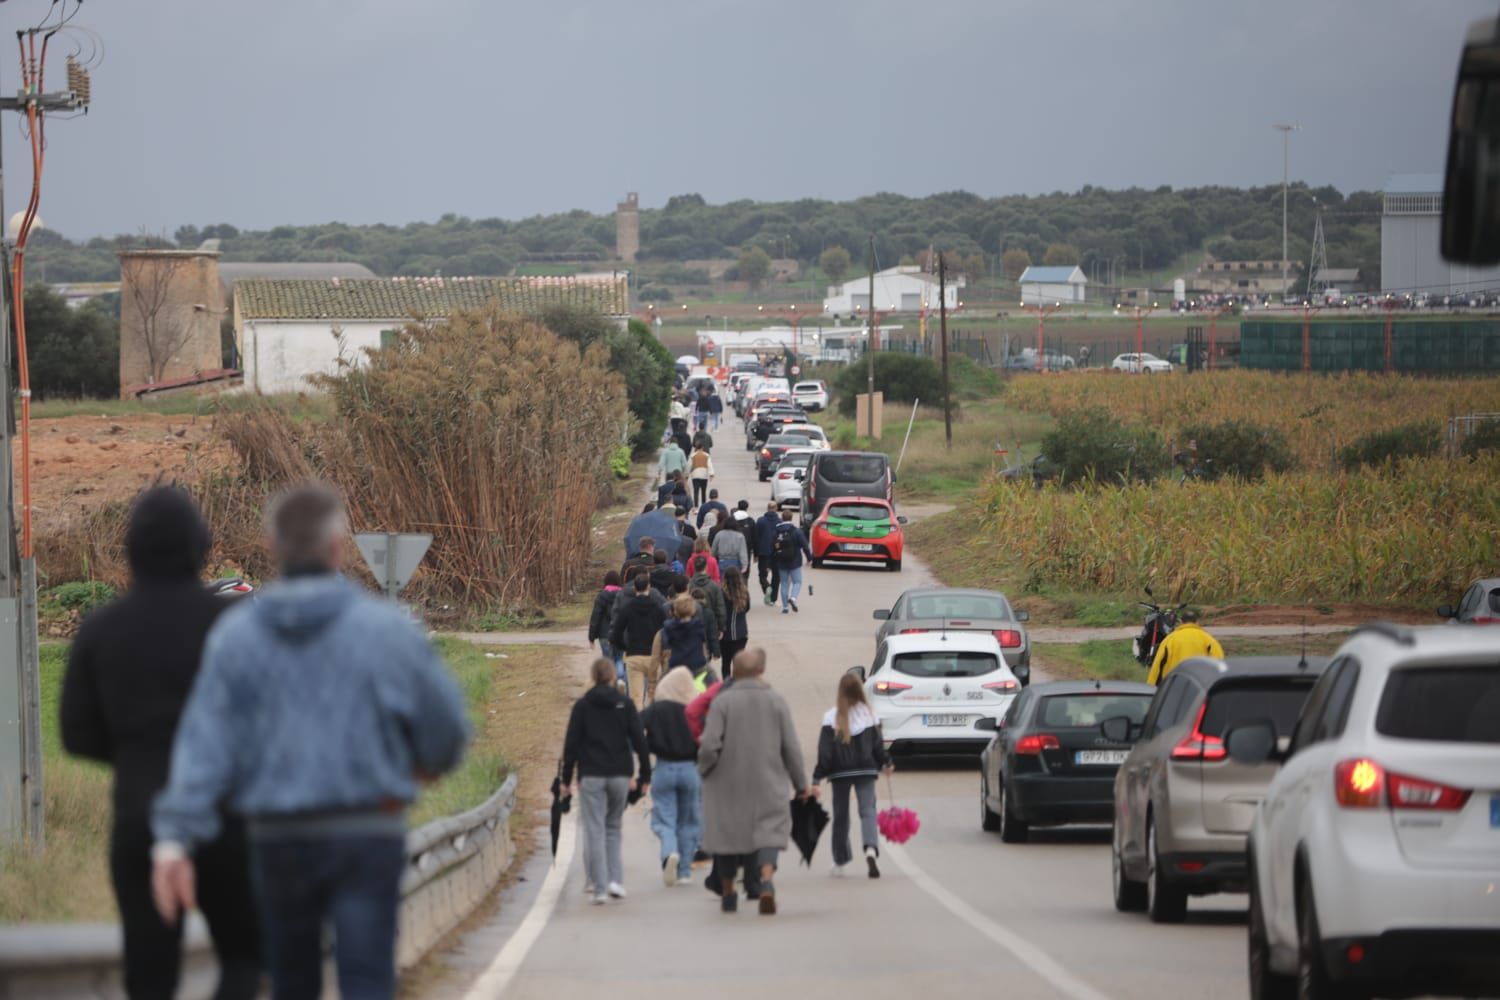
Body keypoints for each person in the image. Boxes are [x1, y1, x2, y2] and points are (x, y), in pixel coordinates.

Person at [150, 483, 469, 999]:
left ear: (272, 547)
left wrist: (173, 840)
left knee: (290, 981)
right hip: (368, 830)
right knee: (367, 977)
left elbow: (203, 747)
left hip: (277, 838)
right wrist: (419, 769)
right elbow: (447, 727)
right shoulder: (386, 630)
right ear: (337, 547)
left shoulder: (236, 638)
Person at [60, 486, 262, 1000]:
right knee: (244, 957)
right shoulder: (232, 625)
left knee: (149, 972)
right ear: (201, 547)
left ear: (132, 551)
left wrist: (134, 755)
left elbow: (75, 734)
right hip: (225, 817)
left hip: (140, 818)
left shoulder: (101, 630)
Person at [698, 649, 815, 915]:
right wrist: (801, 785)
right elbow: (791, 747)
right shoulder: (776, 701)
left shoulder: (722, 702)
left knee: (726, 835)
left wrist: (705, 770)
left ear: (734, 672)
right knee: (768, 831)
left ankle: (729, 893)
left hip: (727, 783)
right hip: (768, 780)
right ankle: (766, 881)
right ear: (760, 671)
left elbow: (709, 745)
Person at [561, 657, 651, 905]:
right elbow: (639, 740)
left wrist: (566, 780)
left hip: (591, 774)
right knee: (613, 827)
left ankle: (599, 888)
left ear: (593, 677)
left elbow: (571, 745)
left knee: (594, 829)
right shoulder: (625, 704)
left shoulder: (582, 706)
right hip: (620, 774)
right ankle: (615, 880)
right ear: (612, 677)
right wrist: (645, 775)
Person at [812, 674, 891, 879]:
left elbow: (825, 752)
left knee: (841, 815)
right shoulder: (870, 714)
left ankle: (840, 860)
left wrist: (817, 778)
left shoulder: (831, 717)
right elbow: (877, 746)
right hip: (866, 770)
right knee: (868, 810)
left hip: (840, 773)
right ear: (859, 691)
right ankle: (870, 848)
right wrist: (886, 762)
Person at [639, 667, 702, 886]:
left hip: (664, 767)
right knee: (689, 820)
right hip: (690, 769)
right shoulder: (694, 711)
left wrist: (646, 748)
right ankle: (684, 871)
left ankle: (669, 851)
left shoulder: (658, 709)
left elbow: (636, 726)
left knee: (665, 817)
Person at [611, 573, 670, 704]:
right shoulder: (658, 607)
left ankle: (638, 716)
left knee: (636, 698)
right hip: (654, 657)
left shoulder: (627, 607)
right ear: (649, 587)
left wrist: (625, 647)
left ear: (634, 588)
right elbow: (667, 628)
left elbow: (616, 633)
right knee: (656, 696)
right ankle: (654, 716)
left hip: (634, 655)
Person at [1146, 609, 1225, 685]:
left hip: (1172, 684)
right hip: (1200, 685)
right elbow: (1219, 663)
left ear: (1181, 622)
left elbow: (1157, 665)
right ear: (1197, 622)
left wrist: (1151, 686)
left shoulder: (1170, 639)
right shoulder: (1208, 639)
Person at [588, 570, 625, 689]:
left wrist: (591, 636)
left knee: (607, 660)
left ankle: (608, 685)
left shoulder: (601, 596)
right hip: (619, 633)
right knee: (619, 659)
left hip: (604, 634)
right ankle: (620, 680)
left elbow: (596, 616)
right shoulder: (623, 595)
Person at [772, 510, 814, 614]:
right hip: (795, 561)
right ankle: (793, 598)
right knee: (797, 582)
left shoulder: (777, 531)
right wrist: (809, 559)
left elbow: (773, 545)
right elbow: (805, 546)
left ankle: (785, 607)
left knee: (784, 583)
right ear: (791, 518)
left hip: (781, 560)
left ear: (782, 518)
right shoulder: (796, 531)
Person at [661, 595, 709, 676]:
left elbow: (666, 644)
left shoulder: (668, 626)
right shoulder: (698, 625)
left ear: (675, 610)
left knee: (663, 679)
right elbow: (703, 641)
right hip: (696, 664)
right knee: (712, 677)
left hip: (676, 664)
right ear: (693, 609)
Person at [718, 567, 751, 679]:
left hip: (725, 634)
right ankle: (739, 684)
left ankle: (727, 684)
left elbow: (719, 611)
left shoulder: (722, 592)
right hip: (741, 633)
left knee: (726, 663)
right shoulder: (744, 592)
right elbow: (747, 608)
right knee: (738, 663)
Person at [755, 502, 782, 606]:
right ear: (776, 508)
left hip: (763, 552)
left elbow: (756, 537)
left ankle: (766, 586)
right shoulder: (779, 521)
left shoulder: (760, 521)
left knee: (762, 574)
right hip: (776, 552)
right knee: (776, 575)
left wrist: (756, 552)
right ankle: (773, 598)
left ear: (767, 508)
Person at [710, 509, 749, 574]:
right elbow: (742, 552)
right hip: (735, 562)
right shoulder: (740, 536)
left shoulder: (719, 534)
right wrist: (744, 565)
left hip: (722, 561)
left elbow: (714, 550)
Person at [689, 444, 715, 508]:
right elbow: (709, 465)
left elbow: (689, 465)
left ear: (696, 448)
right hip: (704, 475)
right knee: (703, 491)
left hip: (695, 475)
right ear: (702, 447)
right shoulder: (706, 455)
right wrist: (711, 474)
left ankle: (696, 506)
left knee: (696, 491)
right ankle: (703, 505)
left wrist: (687, 474)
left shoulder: (692, 456)